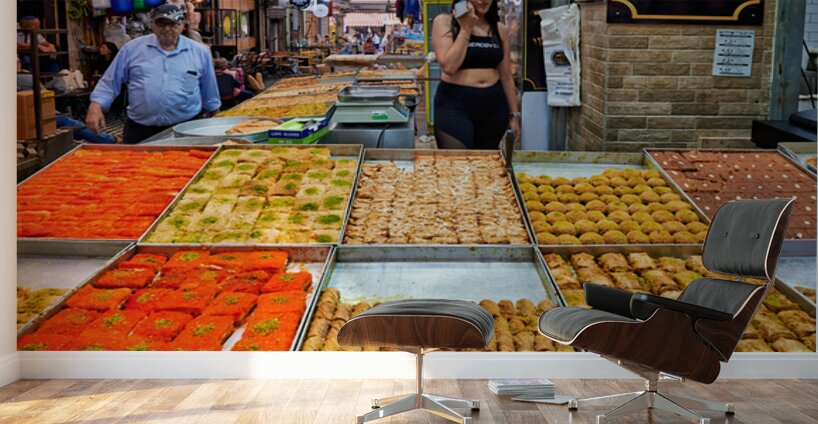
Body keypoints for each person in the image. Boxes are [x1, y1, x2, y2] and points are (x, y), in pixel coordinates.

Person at [85, 4, 220, 144]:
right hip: (140, 130)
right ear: (152, 24)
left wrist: (215, 115)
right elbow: (110, 81)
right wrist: (96, 105)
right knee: (136, 166)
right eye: (161, 23)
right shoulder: (132, 49)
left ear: (183, 24)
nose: (167, 29)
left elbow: (209, 88)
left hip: (186, 128)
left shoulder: (199, 52)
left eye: (173, 24)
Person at [431, 0, 520, 150]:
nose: (482, 0)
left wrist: (515, 116)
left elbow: (506, 76)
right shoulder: (444, 22)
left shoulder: (499, 29)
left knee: (486, 165)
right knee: (458, 164)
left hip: (494, 106)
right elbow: (449, 66)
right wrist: (466, 28)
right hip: (455, 104)